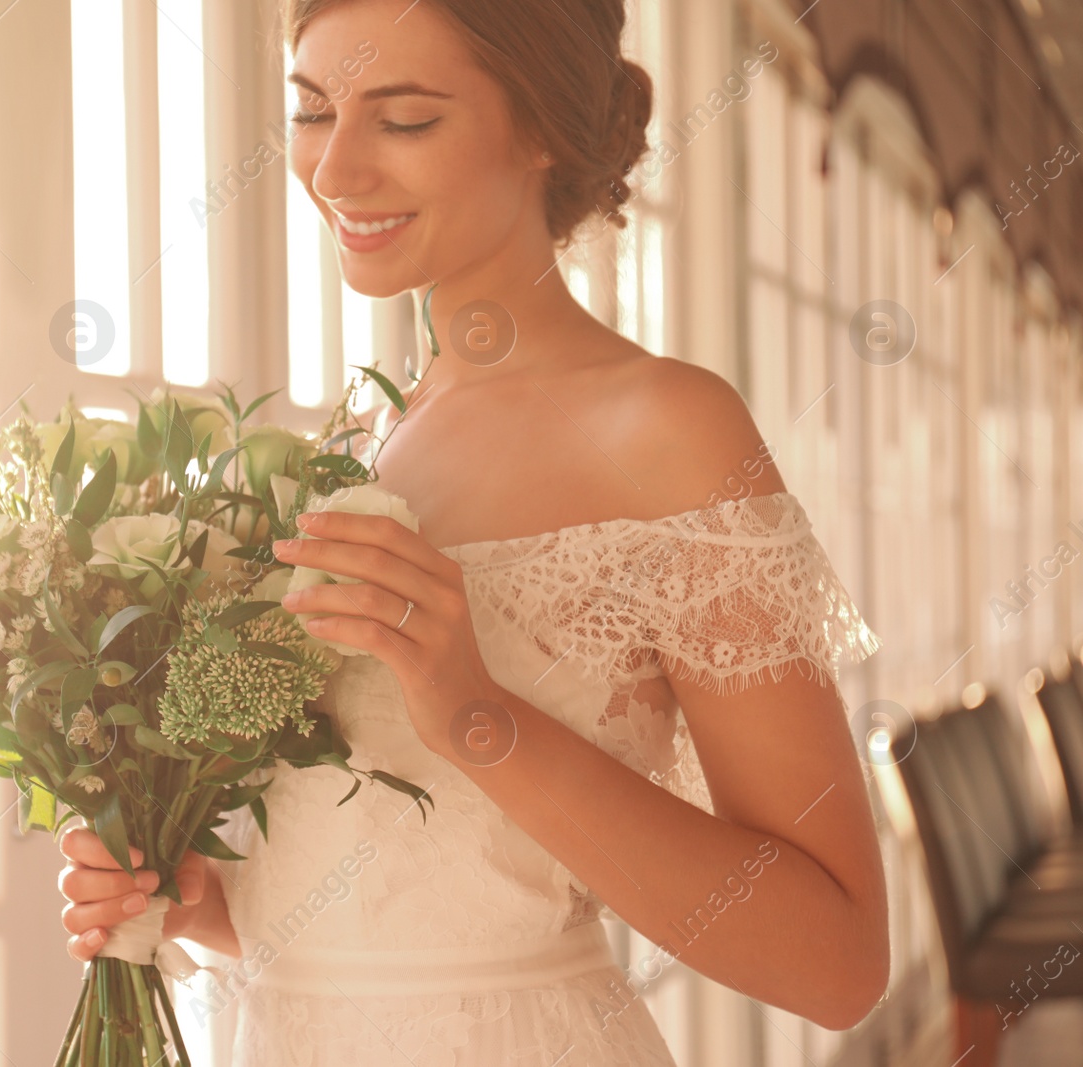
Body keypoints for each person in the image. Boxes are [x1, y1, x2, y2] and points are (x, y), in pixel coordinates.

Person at [58, 0, 889, 1062]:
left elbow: (837, 961)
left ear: (539, 128)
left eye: (403, 120)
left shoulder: (667, 429)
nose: (335, 170)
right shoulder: (358, 437)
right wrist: (201, 898)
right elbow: (417, 896)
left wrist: (477, 716)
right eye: (313, 111)